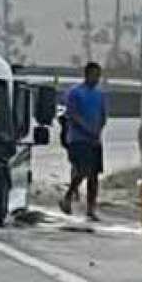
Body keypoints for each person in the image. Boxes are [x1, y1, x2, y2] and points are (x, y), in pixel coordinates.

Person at [60, 61, 108, 221]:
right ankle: (68, 196)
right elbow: (72, 115)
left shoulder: (100, 94)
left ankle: (91, 208)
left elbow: (103, 116)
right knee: (83, 170)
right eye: (94, 75)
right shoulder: (75, 92)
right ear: (87, 74)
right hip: (78, 139)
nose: (97, 78)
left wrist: (98, 131)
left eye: (98, 75)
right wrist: (87, 129)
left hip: (95, 140)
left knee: (94, 175)